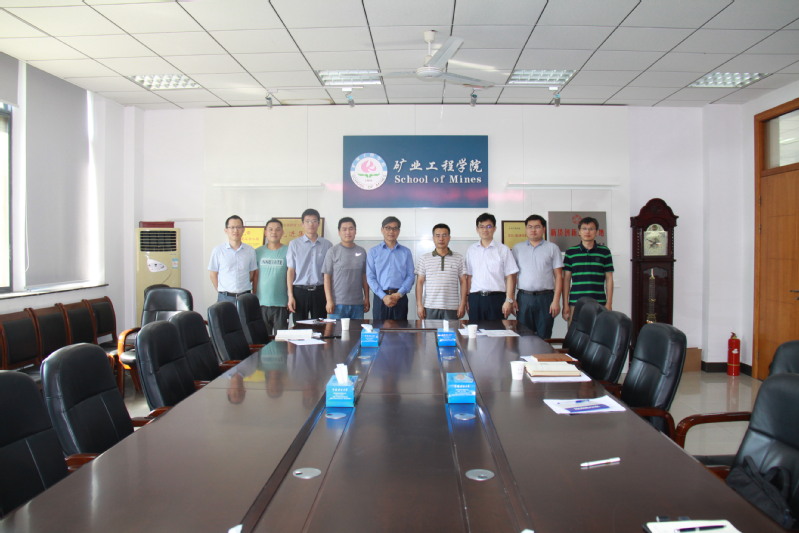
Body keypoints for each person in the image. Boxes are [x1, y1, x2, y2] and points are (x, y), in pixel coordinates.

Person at [512, 215, 563, 339]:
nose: (533, 230)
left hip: (545, 299)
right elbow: (512, 276)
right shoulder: (517, 248)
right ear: (526, 229)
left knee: (544, 336)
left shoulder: (552, 248)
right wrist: (512, 299)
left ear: (544, 229)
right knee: (523, 337)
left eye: (537, 227)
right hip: (524, 298)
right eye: (530, 227)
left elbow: (558, 276)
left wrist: (556, 301)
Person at [464, 213, 518, 321]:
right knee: (475, 330)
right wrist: (467, 298)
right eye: (482, 226)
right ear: (477, 229)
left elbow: (510, 277)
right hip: (476, 299)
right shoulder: (471, 250)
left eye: (489, 226)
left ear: (494, 228)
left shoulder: (503, 249)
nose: (485, 230)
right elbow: (469, 277)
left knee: (497, 330)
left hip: (497, 299)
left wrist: (509, 300)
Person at [562, 216, 614, 321]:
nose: (587, 232)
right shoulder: (571, 252)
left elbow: (609, 278)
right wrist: (565, 305)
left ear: (597, 232)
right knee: (575, 331)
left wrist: (609, 303)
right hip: (576, 303)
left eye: (591, 229)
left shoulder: (605, 252)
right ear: (579, 232)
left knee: (599, 331)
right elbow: (566, 279)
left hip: (599, 303)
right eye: (584, 229)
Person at [286, 208, 332, 321]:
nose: (311, 224)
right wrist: (290, 296)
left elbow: (329, 274)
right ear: (302, 224)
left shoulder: (327, 245)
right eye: (307, 221)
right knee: (299, 326)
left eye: (314, 221)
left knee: (320, 326)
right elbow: (290, 271)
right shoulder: (294, 244)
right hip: (299, 292)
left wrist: (329, 298)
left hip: (319, 292)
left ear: (318, 223)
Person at [366, 216, 415, 320]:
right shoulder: (373, 252)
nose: (391, 231)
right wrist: (383, 296)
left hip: (400, 298)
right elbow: (370, 277)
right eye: (388, 228)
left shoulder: (406, 252)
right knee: (380, 328)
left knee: (400, 329)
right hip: (380, 298)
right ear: (382, 230)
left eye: (395, 228)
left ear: (399, 231)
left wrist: (399, 294)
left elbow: (410, 276)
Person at [415, 223, 467, 320]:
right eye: (437, 235)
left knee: (451, 330)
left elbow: (463, 281)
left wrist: (462, 304)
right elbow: (419, 282)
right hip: (430, 306)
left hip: (452, 307)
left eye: (444, 235)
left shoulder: (459, 258)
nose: (441, 239)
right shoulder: (424, 258)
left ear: (449, 238)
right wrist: (419, 305)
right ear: (433, 238)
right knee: (430, 330)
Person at [322, 217, 370, 319]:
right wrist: (329, 300)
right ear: (339, 232)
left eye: (351, 229)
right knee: (336, 330)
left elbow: (364, 276)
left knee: (356, 329)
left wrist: (367, 298)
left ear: (355, 231)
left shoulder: (361, 251)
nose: (348, 232)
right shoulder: (332, 251)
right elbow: (326, 278)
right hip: (337, 304)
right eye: (344, 229)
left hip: (357, 304)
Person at [208, 215, 257, 302]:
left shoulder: (250, 250)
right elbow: (213, 274)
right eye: (232, 227)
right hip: (225, 297)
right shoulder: (218, 250)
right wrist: (221, 290)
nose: (235, 230)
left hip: (245, 297)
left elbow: (251, 274)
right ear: (226, 230)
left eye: (238, 227)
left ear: (243, 229)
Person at [254, 218, 289, 335]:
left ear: (282, 232)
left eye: (278, 229)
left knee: (281, 340)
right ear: (265, 232)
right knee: (264, 338)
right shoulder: (257, 252)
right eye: (270, 229)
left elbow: (291, 276)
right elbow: (255, 276)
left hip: (281, 304)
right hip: (261, 303)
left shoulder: (288, 251)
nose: (274, 232)